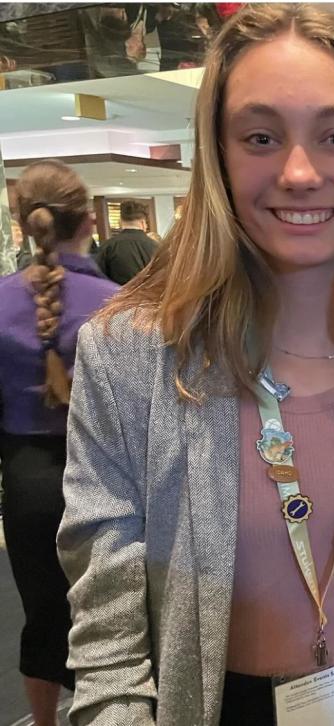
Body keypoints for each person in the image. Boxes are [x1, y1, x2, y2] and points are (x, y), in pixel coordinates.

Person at [57, 5, 334, 726]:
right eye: (261, 138)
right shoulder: (129, 355)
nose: (299, 172)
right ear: (219, 158)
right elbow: (106, 631)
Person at [0, 160, 118, 726]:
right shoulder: (121, 304)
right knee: (116, 616)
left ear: (24, 224)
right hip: (107, 481)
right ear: (89, 220)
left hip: (27, 484)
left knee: (43, 618)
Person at [94, 199, 158, 285]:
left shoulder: (107, 246)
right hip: (149, 292)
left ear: (120, 222)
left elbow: (99, 279)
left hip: (117, 292)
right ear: (143, 223)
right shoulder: (155, 246)